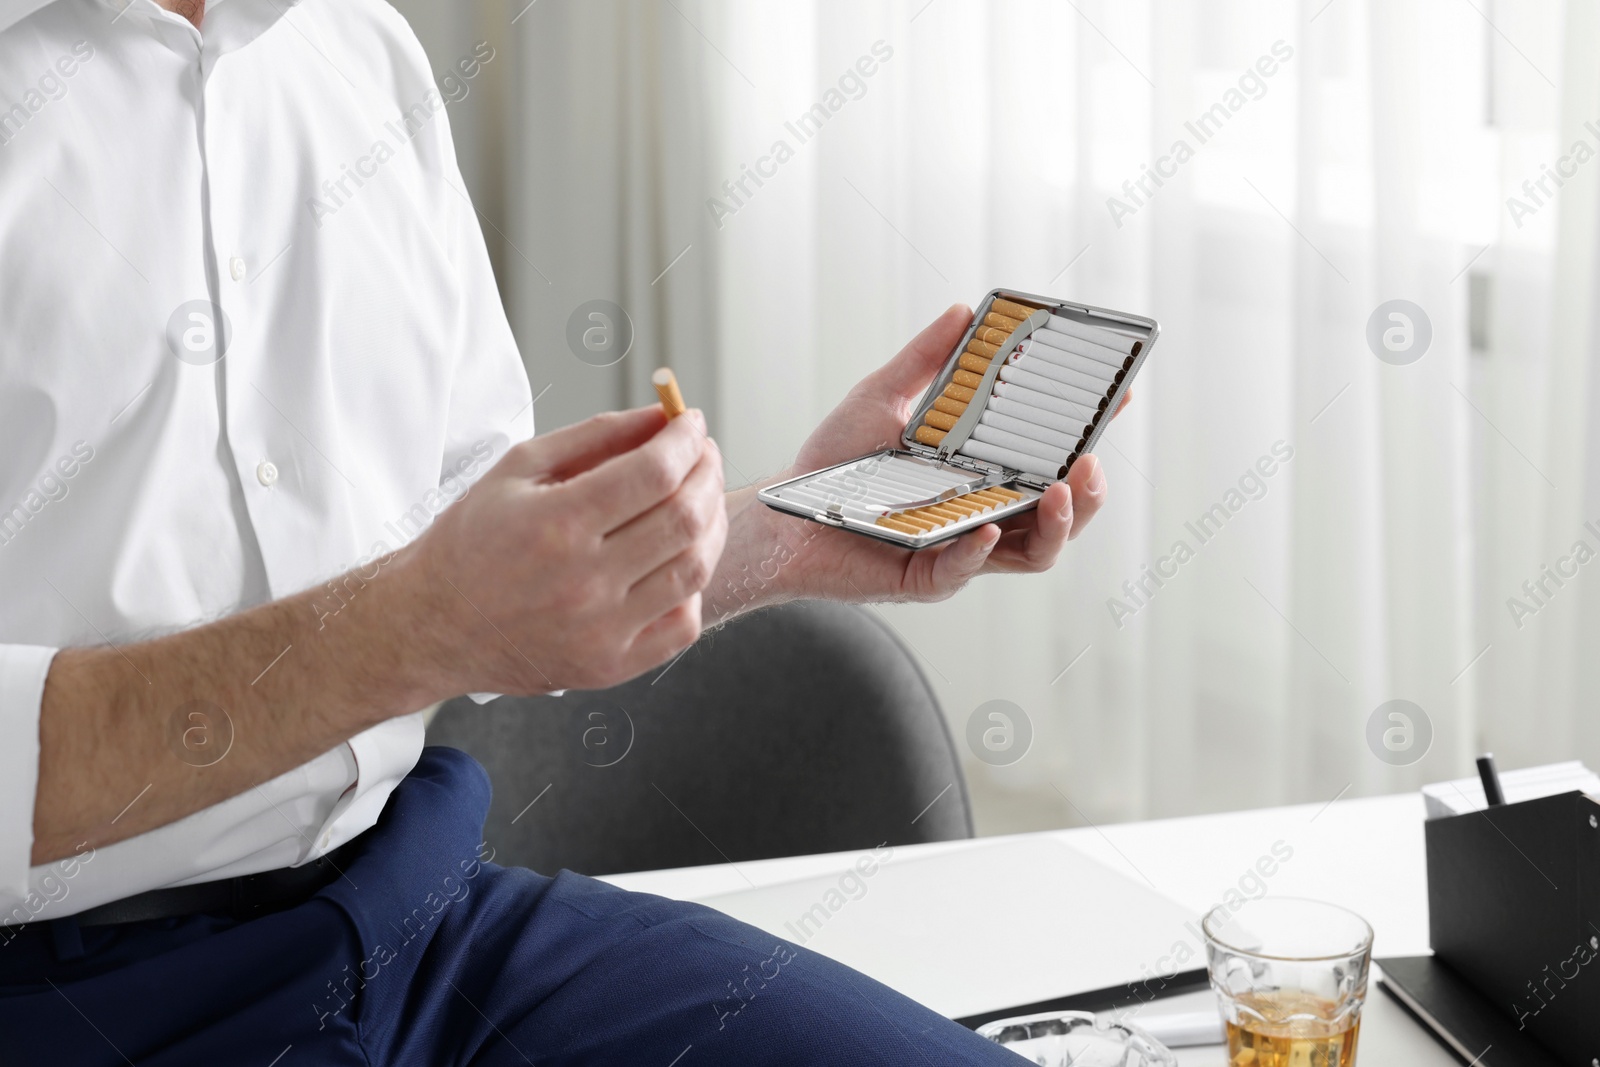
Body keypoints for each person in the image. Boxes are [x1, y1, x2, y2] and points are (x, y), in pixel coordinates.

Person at [0, 0, 1114, 1062]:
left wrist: (792, 526)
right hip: (69, 1003)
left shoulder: (356, 52)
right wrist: (416, 623)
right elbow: (433, 611)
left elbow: (481, 586)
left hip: (420, 918)